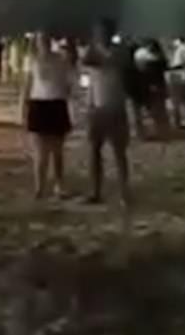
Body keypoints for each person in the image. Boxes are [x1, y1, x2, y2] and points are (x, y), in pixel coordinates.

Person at [82, 21, 131, 208]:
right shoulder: (93, 52)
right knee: (94, 151)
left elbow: (113, 62)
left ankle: (124, 192)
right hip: (97, 107)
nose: (99, 36)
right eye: (97, 32)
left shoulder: (119, 51)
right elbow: (85, 66)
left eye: (102, 32)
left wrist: (97, 53)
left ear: (110, 33)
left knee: (119, 153)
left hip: (115, 106)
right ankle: (95, 191)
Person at [21, 32, 73, 199]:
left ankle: (59, 185)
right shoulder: (32, 60)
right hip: (39, 104)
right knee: (41, 152)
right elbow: (26, 85)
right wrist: (23, 107)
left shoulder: (61, 59)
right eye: (40, 40)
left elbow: (68, 83)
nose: (42, 43)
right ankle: (40, 187)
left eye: (45, 40)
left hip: (56, 103)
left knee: (57, 151)